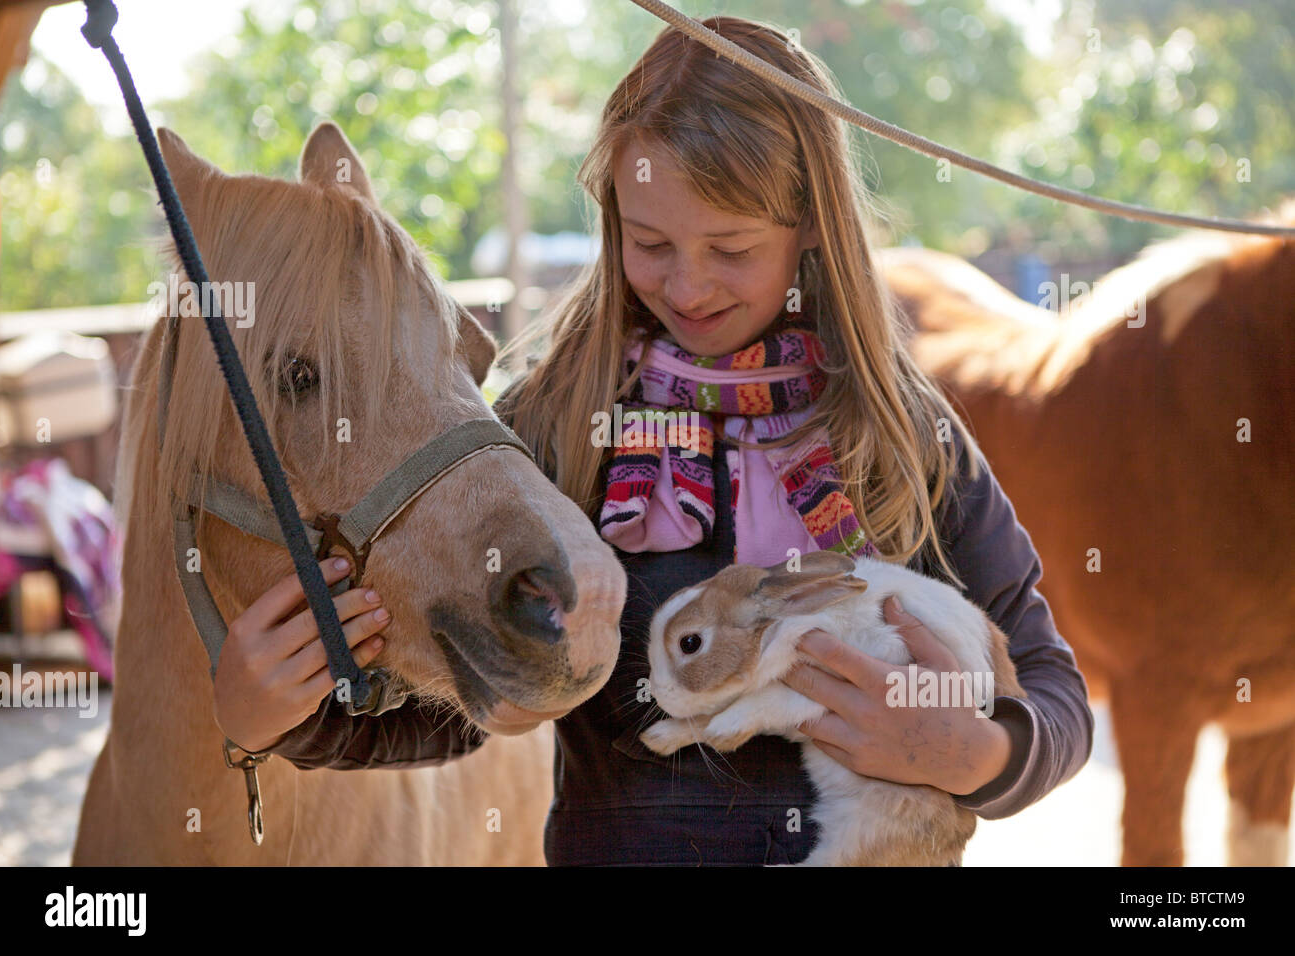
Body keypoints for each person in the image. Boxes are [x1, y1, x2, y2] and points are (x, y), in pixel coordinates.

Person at [213, 16, 1093, 866]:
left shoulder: (904, 436)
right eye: (651, 241)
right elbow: (454, 699)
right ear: (612, 222)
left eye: (732, 247)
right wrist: (288, 716)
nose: (689, 282)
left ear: (813, 226)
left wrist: (974, 755)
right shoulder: (547, 429)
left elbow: (1056, 696)